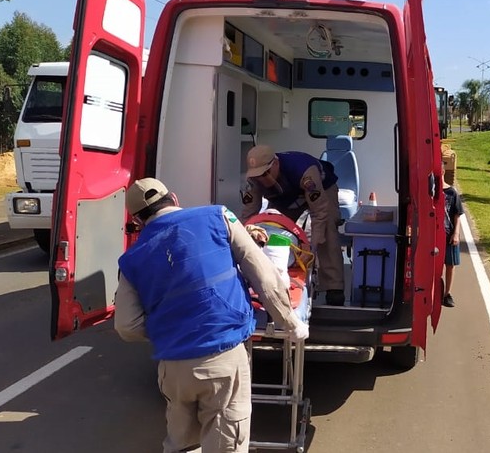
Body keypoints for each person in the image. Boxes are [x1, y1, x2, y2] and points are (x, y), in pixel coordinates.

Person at [114, 177, 309, 453]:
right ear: (175, 198)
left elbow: (126, 326)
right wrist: (290, 324)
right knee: (225, 445)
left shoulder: (131, 260)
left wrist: (171, 326)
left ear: (137, 220)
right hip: (223, 359)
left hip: (174, 368)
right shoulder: (218, 216)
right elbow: (264, 277)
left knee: (183, 445)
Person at [240, 145, 346, 306]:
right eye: (257, 175)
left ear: (275, 163)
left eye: (265, 173)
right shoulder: (254, 180)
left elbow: (320, 213)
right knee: (273, 231)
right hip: (285, 198)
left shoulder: (304, 171)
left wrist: (311, 247)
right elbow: (249, 214)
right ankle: (278, 275)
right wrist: (241, 239)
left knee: (327, 229)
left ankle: (334, 286)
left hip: (322, 190)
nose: (262, 178)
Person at [442, 170, 464, 308]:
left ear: (443, 172)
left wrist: (456, 234)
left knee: (450, 265)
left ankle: (447, 293)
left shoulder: (452, 192)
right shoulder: (430, 192)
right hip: (434, 236)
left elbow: (457, 216)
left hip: (448, 234)